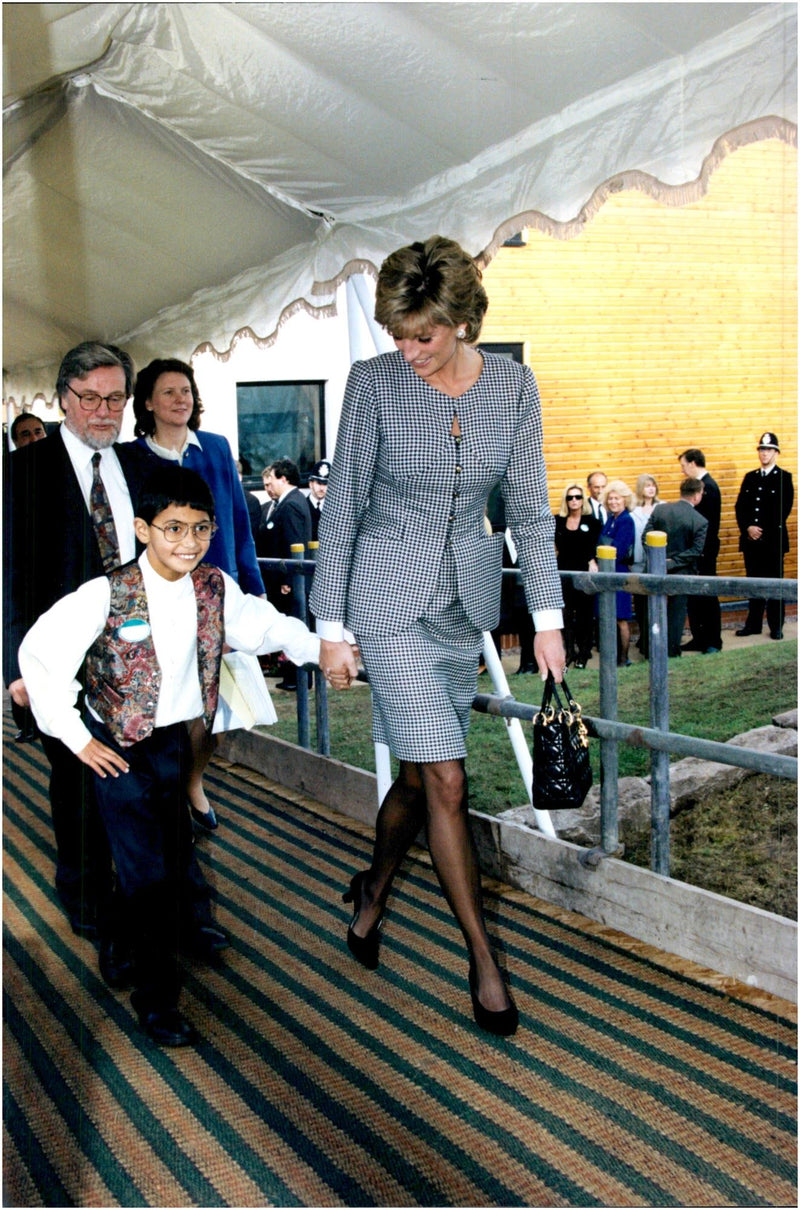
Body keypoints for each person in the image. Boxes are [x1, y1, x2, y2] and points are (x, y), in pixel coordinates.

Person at [309, 235, 565, 1036]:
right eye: (398, 333)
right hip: (385, 596)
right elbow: (344, 503)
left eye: (423, 334)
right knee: (448, 778)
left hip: (464, 602)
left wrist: (550, 619)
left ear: (461, 321)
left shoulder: (514, 389)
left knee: (421, 781)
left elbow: (527, 510)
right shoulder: (374, 384)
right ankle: (485, 965)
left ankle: (374, 891)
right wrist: (331, 625)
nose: (408, 349)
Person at [18, 465, 353, 1047]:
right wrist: (76, 737)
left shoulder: (214, 587)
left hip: (175, 745)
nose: (187, 543)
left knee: (165, 867)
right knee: (147, 877)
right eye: (172, 529)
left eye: (200, 529)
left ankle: (123, 944)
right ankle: (157, 1001)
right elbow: (40, 654)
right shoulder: (106, 593)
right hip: (118, 752)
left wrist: (323, 650)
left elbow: (267, 627)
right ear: (144, 530)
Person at [3, 341, 152, 974]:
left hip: (139, 658)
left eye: (114, 398)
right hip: (58, 662)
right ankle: (94, 909)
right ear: (63, 398)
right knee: (79, 783)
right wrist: (15, 668)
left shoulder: (142, 469)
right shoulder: (21, 474)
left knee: (144, 784)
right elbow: (6, 574)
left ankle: (162, 908)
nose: (102, 410)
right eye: (88, 397)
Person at [128, 357, 265, 830]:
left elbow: (239, 529)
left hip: (216, 598)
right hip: (158, 602)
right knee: (166, 707)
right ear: (147, 402)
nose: (180, 399)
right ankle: (166, 799)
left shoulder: (216, 448)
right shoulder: (132, 458)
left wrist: (254, 596)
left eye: (185, 390)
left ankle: (193, 780)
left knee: (214, 713)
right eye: (168, 392)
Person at [257, 458, 313, 690]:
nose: (267, 486)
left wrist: (289, 579)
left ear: (283, 478)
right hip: (286, 579)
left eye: (271, 481)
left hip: (291, 580)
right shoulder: (287, 502)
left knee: (294, 625)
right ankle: (292, 675)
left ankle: (298, 677)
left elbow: (294, 543)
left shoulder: (291, 505)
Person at [734, 433, 794, 640]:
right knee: (754, 584)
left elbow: (782, 510)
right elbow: (740, 507)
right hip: (751, 542)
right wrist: (748, 528)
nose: (764, 453)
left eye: (768, 449)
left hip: (773, 543)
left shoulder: (784, 478)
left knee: (775, 584)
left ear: (776, 453)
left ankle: (776, 626)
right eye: (761, 449)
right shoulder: (750, 477)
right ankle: (754, 624)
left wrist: (761, 531)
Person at [644, 479, 708, 657]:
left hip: (654, 569)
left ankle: (649, 650)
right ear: (696, 496)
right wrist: (672, 563)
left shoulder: (660, 510)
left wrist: (658, 560)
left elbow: (646, 537)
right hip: (681, 573)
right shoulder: (700, 521)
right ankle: (671, 651)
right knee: (675, 615)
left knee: (653, 610)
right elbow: (695, 551)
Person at [679, 448, 723, 653]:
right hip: (695, 550)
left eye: (683, 465)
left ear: (693, 463)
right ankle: (699, 637)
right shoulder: (698, 487)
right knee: (695, 595)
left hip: (704, 550)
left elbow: (707, 525)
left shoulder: (709, 488)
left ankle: (713, 640)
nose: (682, 470)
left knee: (707, 593)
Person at [554, 482, 601, 668]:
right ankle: (569, 652)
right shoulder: (557, 520)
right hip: (564, 573)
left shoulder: (592, 522)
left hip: (584, 573)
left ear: (583, 500)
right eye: (570, 497)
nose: (574, 501)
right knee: (565, 614)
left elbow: (596, 547)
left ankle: (583, 653)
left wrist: (592, 560)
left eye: (578, 497)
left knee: (584, 615)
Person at [598, 480, 636, 666]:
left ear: (625, 500)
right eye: (610, 498)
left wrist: (605, 550)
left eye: (617, 498)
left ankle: (623, 658)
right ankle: (613, 657)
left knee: (621, 618)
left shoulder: (626, 521)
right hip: (607, 571)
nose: (613, 502)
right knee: (611, 617)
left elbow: (619, 550)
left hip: (619, 572)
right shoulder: (611, 519)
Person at [631, 473, 661, 657]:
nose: (651, 489)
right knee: (641, 603)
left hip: (656, 561)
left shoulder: (662, 507)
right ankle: (643, 638)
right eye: (647, 485)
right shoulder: (633, 511)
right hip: (638, 563)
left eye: (653, 485)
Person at [306, 459, 331, 542]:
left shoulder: (333, 508)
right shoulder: (302, 506)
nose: (322, 488)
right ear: (311, 484)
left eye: (325, 484)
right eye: (319, 483)